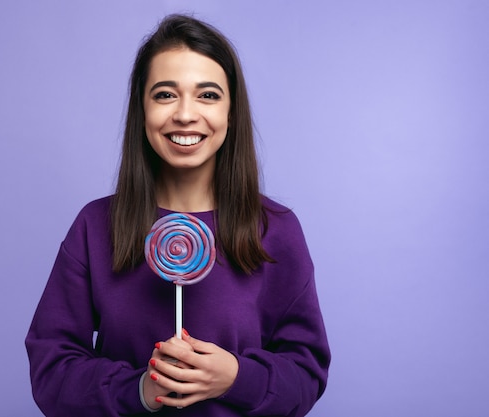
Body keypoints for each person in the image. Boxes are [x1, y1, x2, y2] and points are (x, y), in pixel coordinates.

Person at [26, 14, 330, 417]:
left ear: (231, 113)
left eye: (207, 95)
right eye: (165, 94)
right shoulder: (95, 226)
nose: (185, 115)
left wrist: (236, 377)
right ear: (143, 109)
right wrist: (139, 389)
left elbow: (306, 373)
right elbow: (51, 370)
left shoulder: (276, 229)